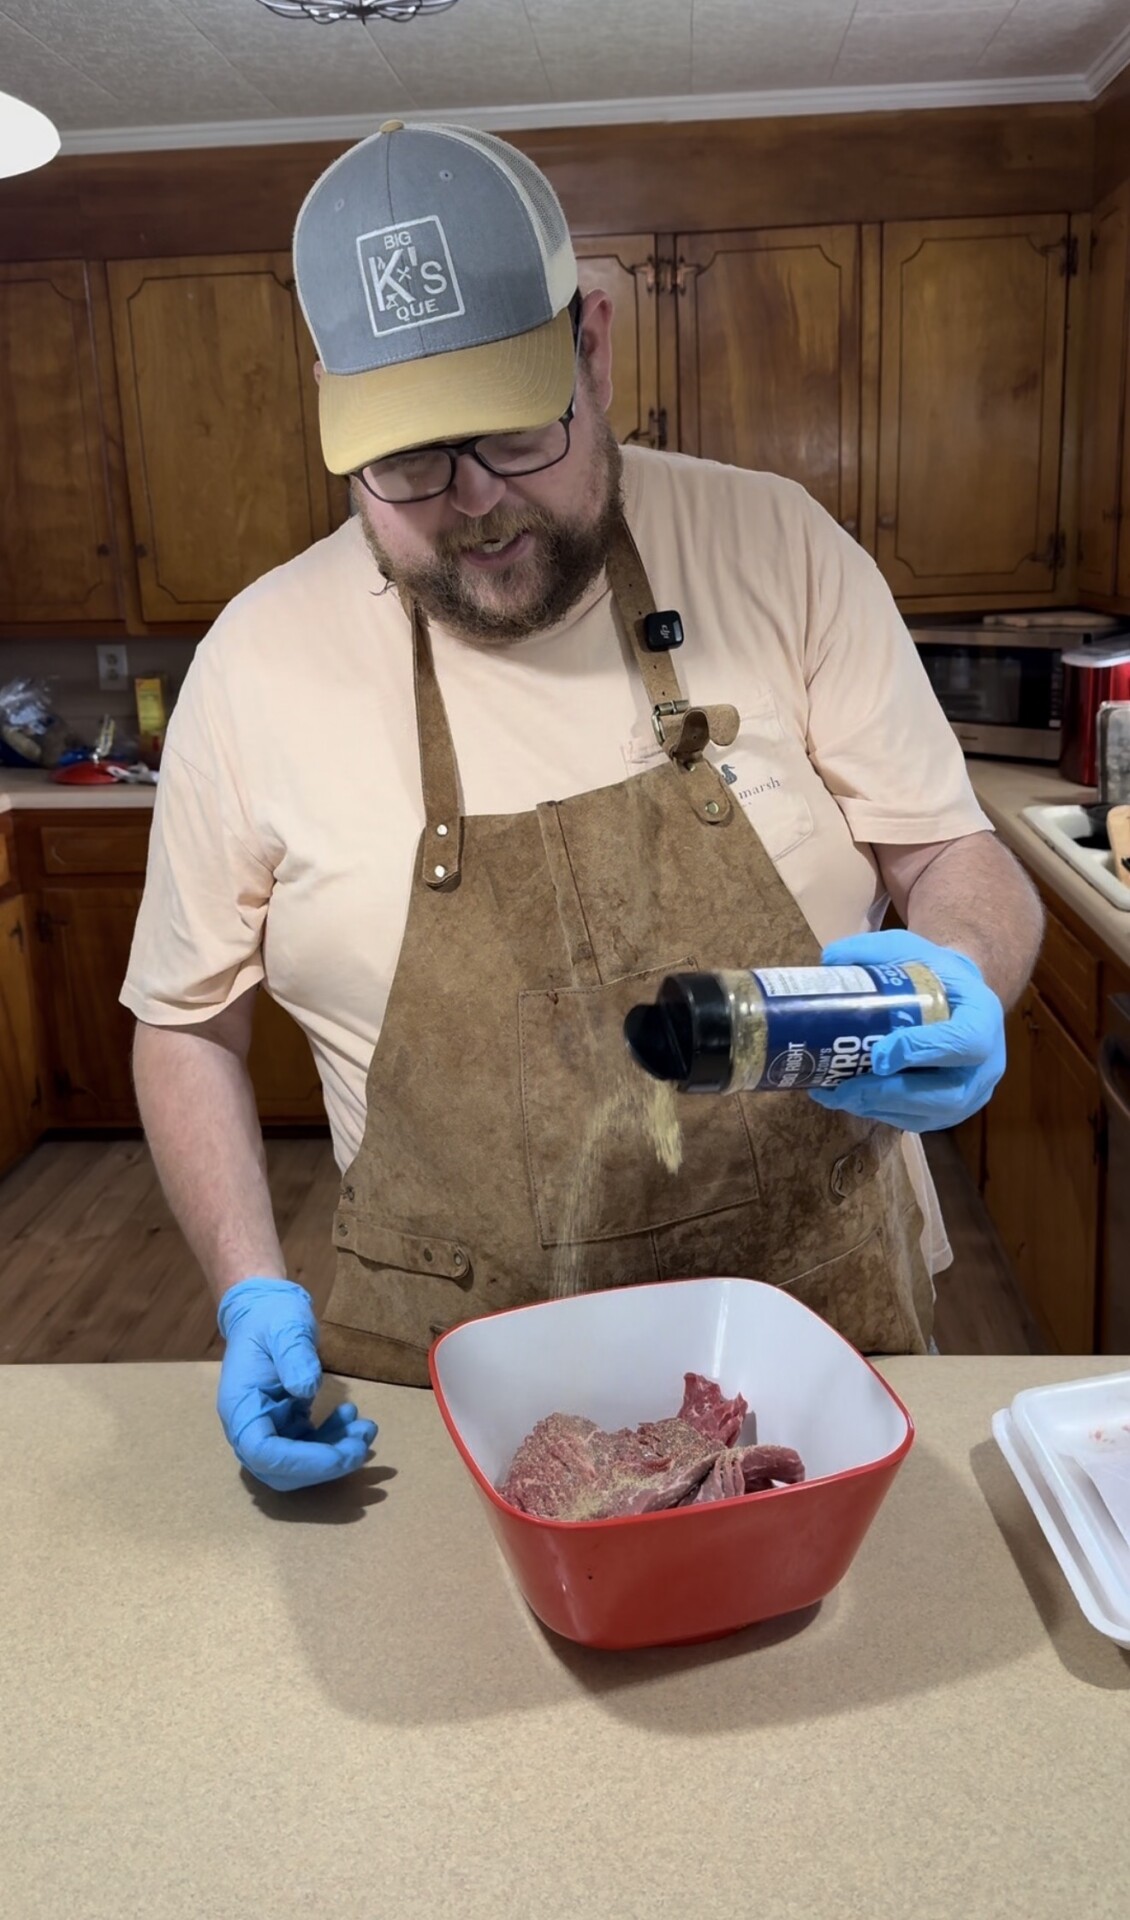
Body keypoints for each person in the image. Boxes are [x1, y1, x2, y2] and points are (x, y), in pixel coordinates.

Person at [122, 120, 1043, 1494]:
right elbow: (183, 1023)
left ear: (594, 345)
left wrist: (959, 973)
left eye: (511, 430)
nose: (476, 508)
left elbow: (953, 858)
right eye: (408, 463)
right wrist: (249, 1286)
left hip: (814, 1340)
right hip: (459, 1382)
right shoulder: (255, 665)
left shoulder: (776, 544)